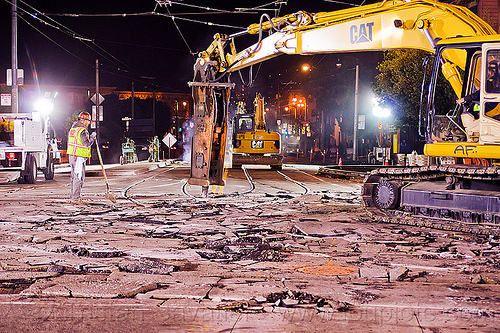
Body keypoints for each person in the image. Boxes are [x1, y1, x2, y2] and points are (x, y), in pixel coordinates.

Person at [67, 111, 96, 204]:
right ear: (83, 120)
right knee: (79, 178)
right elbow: (87, 143)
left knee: (74, 177)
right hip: (79, 157)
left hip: (72, 156)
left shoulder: (73, 129)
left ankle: (74, 197)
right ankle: (75, 199)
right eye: (88, 121)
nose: (88, 123)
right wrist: (92, 137)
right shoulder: (82, 130)